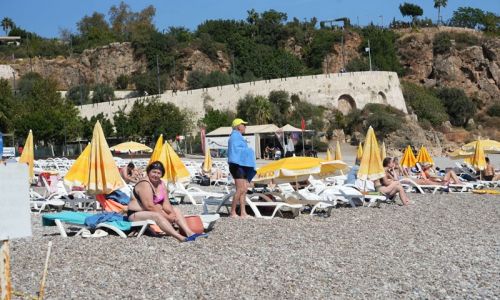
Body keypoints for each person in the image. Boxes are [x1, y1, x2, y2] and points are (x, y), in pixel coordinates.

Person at [127, 161, 207, 242]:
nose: (156, 175)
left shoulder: (161, 183)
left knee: (176, 210)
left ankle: (190, 233)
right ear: (148, 172)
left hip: (151, 211)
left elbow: (166, 203)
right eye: (153, 172)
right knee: (157, 216)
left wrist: (172, 214)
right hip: (135, 214)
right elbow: (149, 206)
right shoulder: (145, 184)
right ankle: (180, 237)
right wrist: (167, 217)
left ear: (162, 174)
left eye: (158, 173)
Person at [228, 118, 256, 218]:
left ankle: (243, 213)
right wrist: (249, 151)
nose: (245, 126)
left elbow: (240, 150)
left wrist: (248, 151)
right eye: (243, 124)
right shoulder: (235, 136)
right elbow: (236, 151)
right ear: (238, 126)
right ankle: (232, 212)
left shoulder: (238, 136)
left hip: (241, 165)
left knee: (244, 189)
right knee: (240, 189)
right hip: (236, 166)